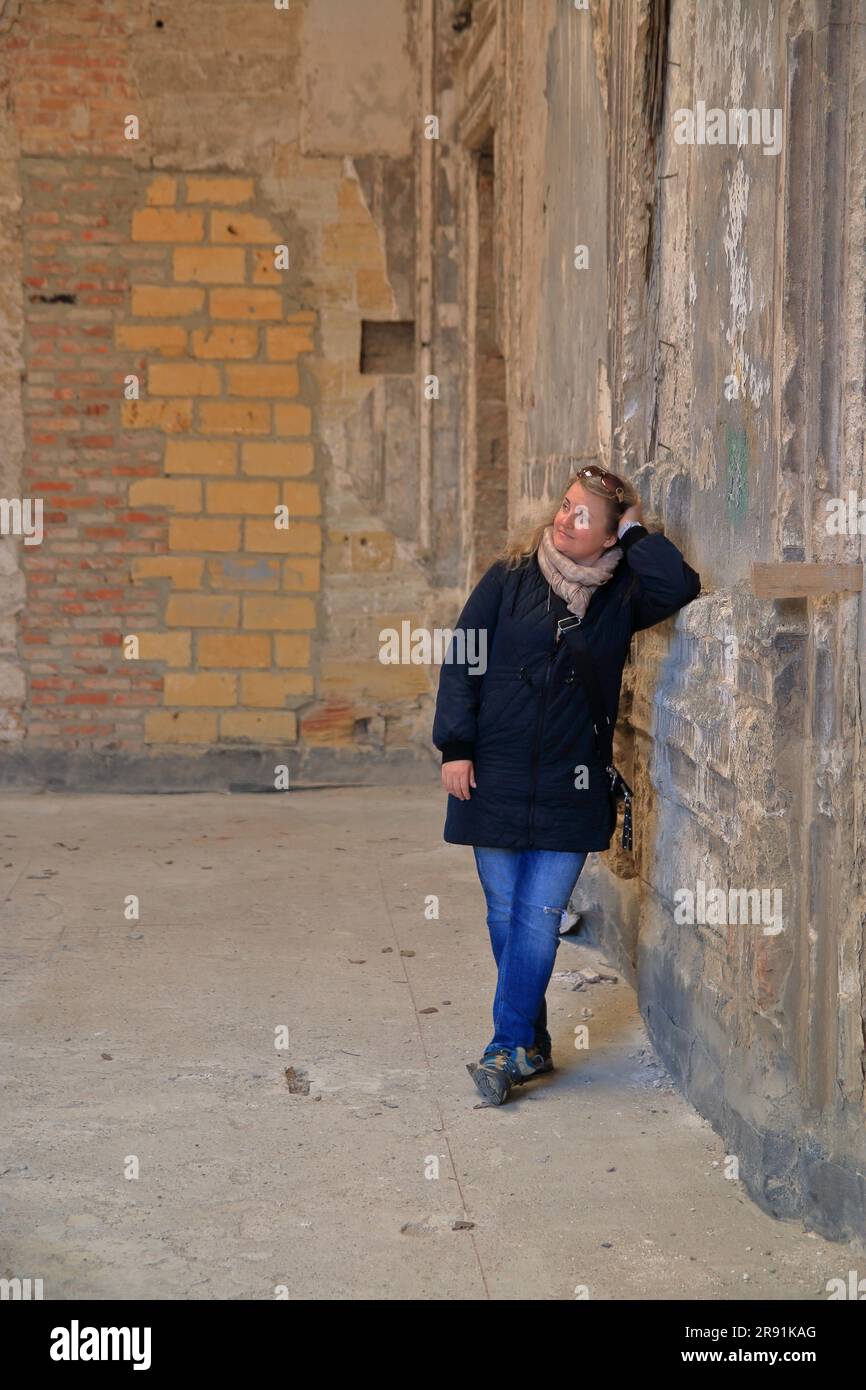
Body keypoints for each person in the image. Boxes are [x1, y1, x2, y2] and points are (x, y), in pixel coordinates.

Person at [431, 464, 701, 1105]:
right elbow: (465, 654)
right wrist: (456, 746)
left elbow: (680, 584)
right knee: (505, 916)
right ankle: (528, 1038)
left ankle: (505, 1049)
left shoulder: (624, 593)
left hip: (569, 780)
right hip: (492, 772)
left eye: (585, 515)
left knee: (539, 917)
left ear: (610, 537)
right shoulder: (510, 576)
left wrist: (633, 531)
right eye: (565, 505)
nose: (565, 518)